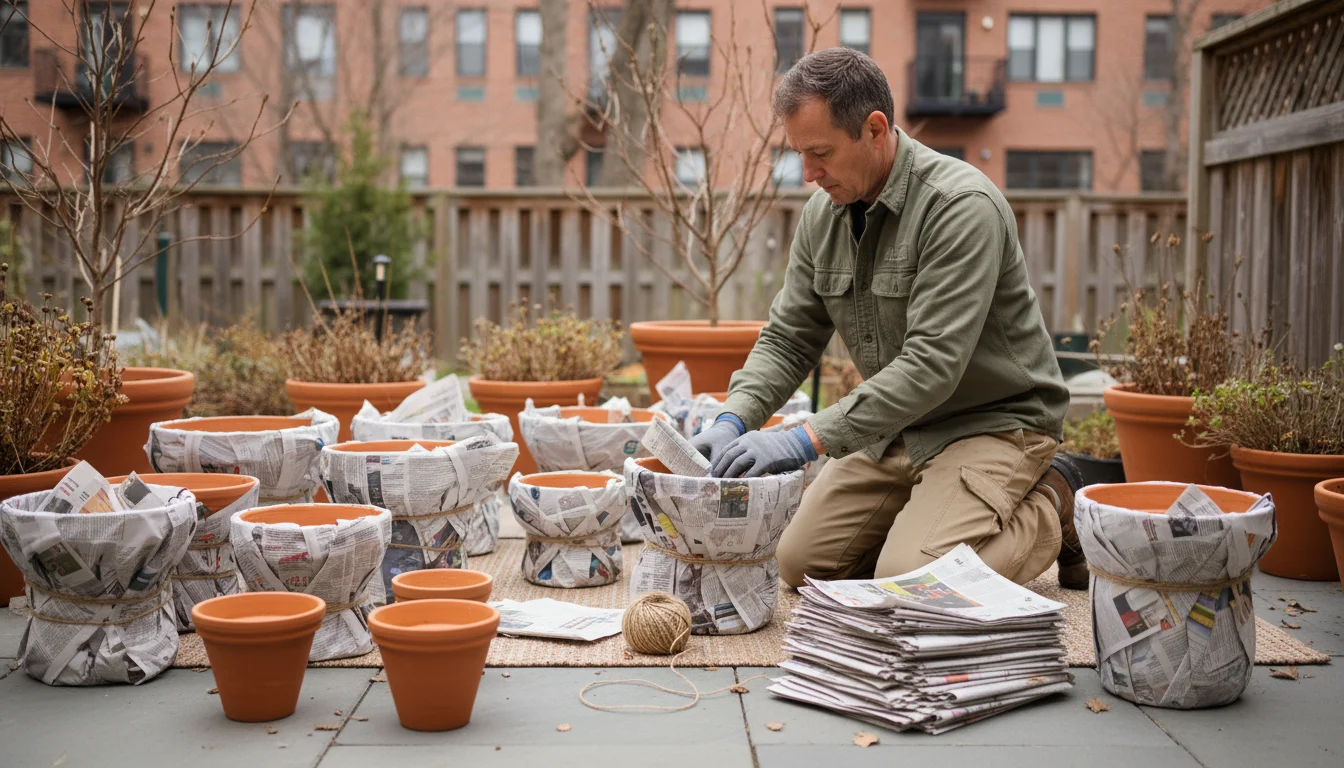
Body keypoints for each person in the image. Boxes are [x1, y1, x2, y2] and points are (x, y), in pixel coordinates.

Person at [689, 48, 1088, 590]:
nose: (807, 174)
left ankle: (1052, 502)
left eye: (821, 153)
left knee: (915, 581)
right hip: (896, 426)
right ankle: (931, 518)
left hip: (993, 423)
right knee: (800, 565)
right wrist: (732, 420)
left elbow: (930, 367)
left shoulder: (959, 206)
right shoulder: (823, 215)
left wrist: (801, 442)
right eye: (799, 154)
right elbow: (788, 339)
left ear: (874, 129)